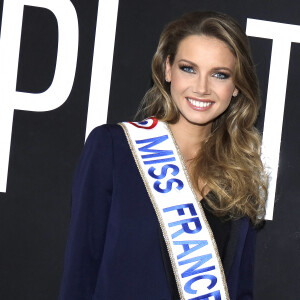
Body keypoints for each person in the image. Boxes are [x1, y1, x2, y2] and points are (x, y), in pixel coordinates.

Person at [59, 11, 268, 300]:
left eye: (219, 74)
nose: (202, 88)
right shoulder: (113, 148)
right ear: (167, 69)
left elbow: (240, 290)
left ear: (235, 87)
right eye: (188, 68)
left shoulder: (239, 174)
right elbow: (80, 274)